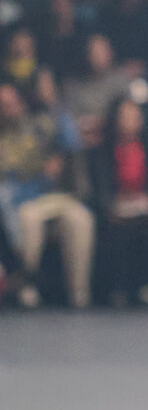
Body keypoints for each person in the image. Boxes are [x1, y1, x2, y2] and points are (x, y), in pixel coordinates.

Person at [0, 81, 95, 308]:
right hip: (20, 202)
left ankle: (79, 293)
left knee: (81, 219)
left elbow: (71, 141)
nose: (8, 109)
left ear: (21, 103)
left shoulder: (40, 125)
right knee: (27, 218)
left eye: (12, 103)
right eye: (3, 105)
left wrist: (52, 102)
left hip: (52, 195)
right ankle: (27, 284)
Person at [89, 97, 148, 305]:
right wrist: (111, 203)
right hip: (116, 204)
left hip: (145, 203)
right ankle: (120, 288)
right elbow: (100, 187)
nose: (130, 121)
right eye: (125, 116)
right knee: (117, 232)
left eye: (135, 116)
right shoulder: (103, 151)